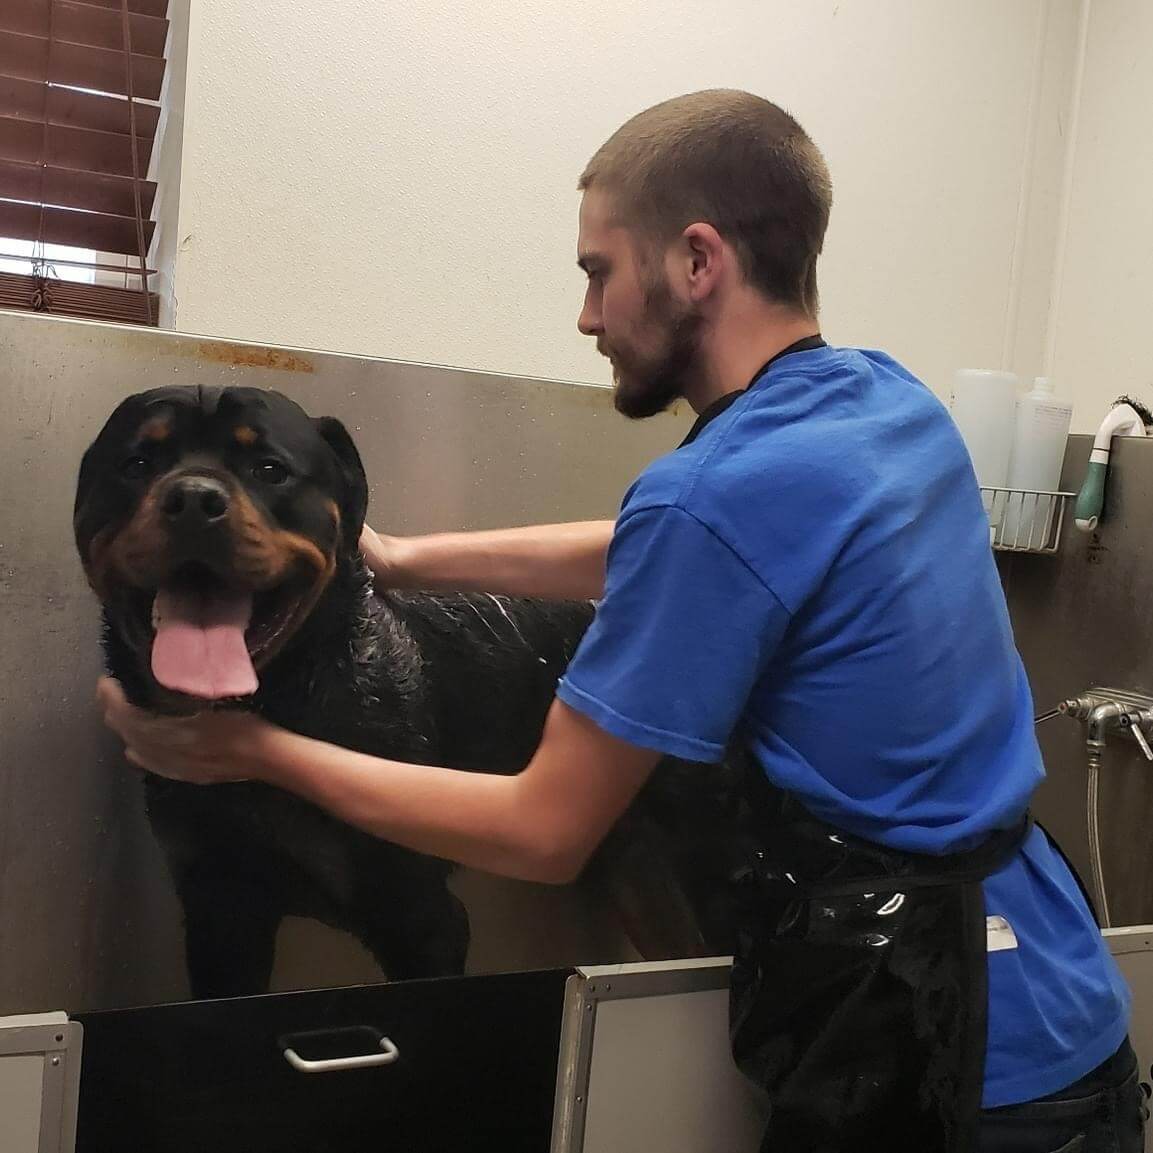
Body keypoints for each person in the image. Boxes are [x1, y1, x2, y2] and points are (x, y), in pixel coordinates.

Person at [98, 90, 1143, 1152]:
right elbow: (686, 546)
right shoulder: (886, 405)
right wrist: (406, 562)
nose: (588, 316)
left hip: (948, 1065)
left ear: (697, 261)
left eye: (598, 271)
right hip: (1072, 1015)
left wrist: (257, 750)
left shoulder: (715, 497)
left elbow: (544, 832)